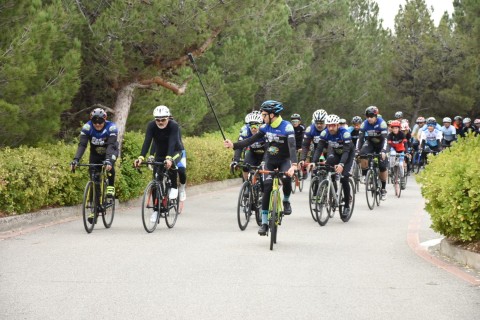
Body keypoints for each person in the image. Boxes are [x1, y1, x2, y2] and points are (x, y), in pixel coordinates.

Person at [224, 100, 297, 236]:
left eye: (264, 115)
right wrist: (233, 145)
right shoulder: (265, 127)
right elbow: (250, 141)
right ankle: (264, 223)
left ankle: (286, 201)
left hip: (284, 160)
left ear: (272, 115)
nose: (262, 118)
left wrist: (293, 165)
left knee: (287, 179)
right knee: (267, 187)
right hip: (269, 160)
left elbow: (292, 146)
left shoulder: (287, 127)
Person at [134, 105, 183, 222]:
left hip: (175, 150)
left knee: (171, 164)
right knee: (156, 180)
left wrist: (169, 158)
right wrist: (141, 157)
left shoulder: (173, 125)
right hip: (160, 153)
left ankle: (174, 187)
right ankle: (156, 210)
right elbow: (147, 141)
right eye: (158, 120)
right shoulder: (151, 126)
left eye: (163, 120)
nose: (160, 122)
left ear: (168, 118)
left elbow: (172, 142)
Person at [71, 106, 119, 223]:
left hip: (110, 151)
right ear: (91, 121)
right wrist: (76, 159)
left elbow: (111, 145)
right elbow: (82, 145)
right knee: (94, 180)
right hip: (95, 155)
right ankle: (95, 209)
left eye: (100, 122)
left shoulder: (111, 127)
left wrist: (108, 160)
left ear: (105, 120)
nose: (98, 124)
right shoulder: (87, 127)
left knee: (109, 165)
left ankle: (111, 187)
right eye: (95, 122)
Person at [311, 114, 354, 218]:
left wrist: (341, 164)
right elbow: (319, 149)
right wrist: (313, 162)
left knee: (344, 178)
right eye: (329, 125)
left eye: (333, 126)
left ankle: (347, 205)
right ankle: (332, 192)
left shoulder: (345, 133)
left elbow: (346, 151)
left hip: (347, 155)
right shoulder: (325, 133)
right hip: (335, 154)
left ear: (338, 125)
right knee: (326, 168)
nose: (331, 128)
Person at [356, 106, 389, 200]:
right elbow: (360, 138)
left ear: (376, 116)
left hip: (381, 144)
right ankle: (364, 174)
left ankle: (383, 188)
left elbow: (385, 139)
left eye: (371, 116)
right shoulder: (364, 124)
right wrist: (358, 150)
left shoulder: (381, 123)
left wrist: (383, 151)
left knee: (382, 166)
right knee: (362, 153)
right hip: (370, 143)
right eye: (367, 116)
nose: (369, 118)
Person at [231, 111, 266, 182]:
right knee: (245, 167)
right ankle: (246, 184)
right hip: (253, 152)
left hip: (265, 152)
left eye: (256, 125)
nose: (253, 128)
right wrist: (236, 160)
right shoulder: (245, 130)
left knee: (264, 170)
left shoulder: (265, 130)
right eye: (251, 125)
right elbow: (239, 146)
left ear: (261, 125)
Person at [387, 120, 408, 189]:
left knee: (401, 165)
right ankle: (392, 171)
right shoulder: (390, 135)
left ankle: (402, 180)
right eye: (393, 128)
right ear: (391, 129)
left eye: (396, 128)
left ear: (399, 128)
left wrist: (407, 152)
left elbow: (405, 143)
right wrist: (387, 152)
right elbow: (389, 145)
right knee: (392, 156)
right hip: (393, 149)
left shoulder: (402, 134)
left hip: (401, 150)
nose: (395, 129)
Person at [291, 113, 307, 178]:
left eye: (296, 121)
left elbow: (304, 137)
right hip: (293, 145)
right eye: (293, 122)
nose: (294, 123)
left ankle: (304, 171)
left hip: (301, 144)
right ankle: (294, 172)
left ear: (299, 122)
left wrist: (302, 147)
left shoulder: (302, 127)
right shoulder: (290, 127)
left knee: (301, 159)